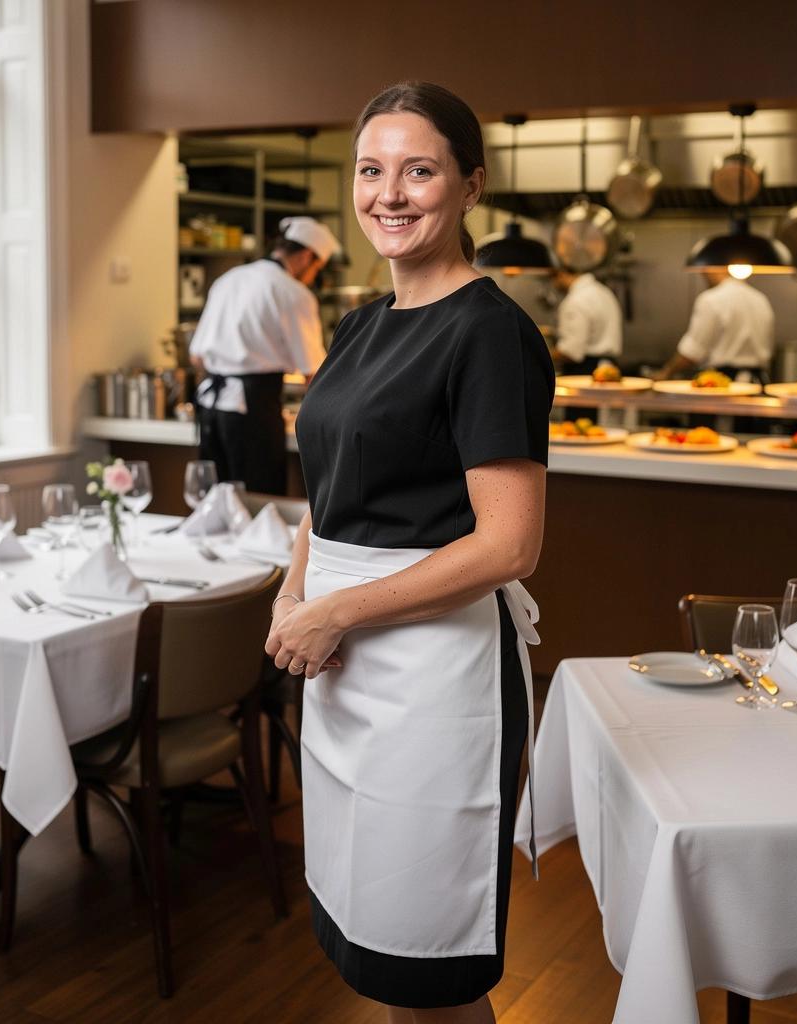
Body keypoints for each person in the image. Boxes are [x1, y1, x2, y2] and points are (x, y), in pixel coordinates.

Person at [265, 82, 554, 1024]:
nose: (390, 193)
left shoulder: (489, 332)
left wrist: (336, 610)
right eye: (371, 170)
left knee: (429, 958)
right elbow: (331, 486)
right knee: (375, 940)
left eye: (419, 170)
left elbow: (510, 543)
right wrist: (293, 589)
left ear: (471, 185)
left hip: (434, 677)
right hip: (343, 666)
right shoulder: (357, 323)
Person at [189, 216, 340, 493]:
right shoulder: (293, 292)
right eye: (317, 268)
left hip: (211, 406)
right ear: (307, 257)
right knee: (260, 500)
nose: (314, 276)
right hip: (253, 408)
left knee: (215, 502)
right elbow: (314, 372)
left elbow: (196, 357)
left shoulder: (229, 278)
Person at [655, 268, 775, 384]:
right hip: (758, 383)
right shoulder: (760, 299)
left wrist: (666, 372)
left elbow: (693, 352)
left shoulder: (711, 299)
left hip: (724, 383)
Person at [553, 268, 623, 375]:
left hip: (586, 371)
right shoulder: (604, 292)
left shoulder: (575, 300)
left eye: (553, 278)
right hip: (609, 367)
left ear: (562, 273)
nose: (554, 284)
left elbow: (571, 351)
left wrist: (544, 355)